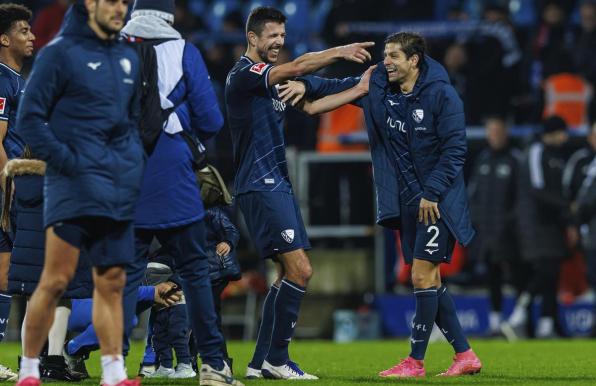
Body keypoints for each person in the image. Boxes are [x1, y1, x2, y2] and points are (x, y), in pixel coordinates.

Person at [284, 31, 481, 377]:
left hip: (437, 201)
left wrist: (432, 192)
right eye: (385, 55)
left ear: (414, 60)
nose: (385, 62)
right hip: (406, 200)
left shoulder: (442, 95)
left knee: (421, 275)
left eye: (393, 56)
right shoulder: (380, 85)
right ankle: (464, 355)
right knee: (430, 280)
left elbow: (455, 152)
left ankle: (415, 361)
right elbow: (341, 86)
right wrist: (305, 85)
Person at [224, 6, 373, 380]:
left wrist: (359, 87)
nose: (279, 42)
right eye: (272, 36)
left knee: (286, 274)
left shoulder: (273, 83)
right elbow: (296, 69)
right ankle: (278, 358)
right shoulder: (244, 75)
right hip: (260, 184)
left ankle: (260, 362)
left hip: (275, 184)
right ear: (252, 38)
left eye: (282, 36)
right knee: (301, 270)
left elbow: (312, 105)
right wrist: (338, 51)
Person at [14, 1, 145, 385]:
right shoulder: (59, 53)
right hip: (70, 186)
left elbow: (131, 123)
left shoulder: (127, 55)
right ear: (90, 4)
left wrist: (132, 166)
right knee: (55, 280)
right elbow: (29, 119)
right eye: (113, 1)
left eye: (126, 1)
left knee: (112, 281)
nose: (121, 8)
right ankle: (29, 371)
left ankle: (113, 373)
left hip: (114, 189)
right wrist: (66, 161)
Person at [120, 1, 243, 385]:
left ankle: (108, 365)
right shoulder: (183, 49)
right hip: (172, 168)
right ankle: (211, 365)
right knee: (194, 270)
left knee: (121, 276)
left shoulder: (110, 47)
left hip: (124, 170)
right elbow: (211, 119)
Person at [500, 115, 574, 340]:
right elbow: (537, 189)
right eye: (562, 132)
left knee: (551, 272)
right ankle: (517, 316)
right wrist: (567, 206)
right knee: (543, 270)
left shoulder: (557, 157)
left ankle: (546, 325)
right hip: (534, 222)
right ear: (552, 132)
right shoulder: (536, 152)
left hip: (551, 222)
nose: (565, 137)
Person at [0, 4, 34, 381]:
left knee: (6, 271)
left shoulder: (18, 79)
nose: (31, 36)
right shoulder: (2, 79)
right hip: (7, 185)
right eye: (23, 30)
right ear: (4, 38)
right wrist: (6, 187)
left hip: (16, 183)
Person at [467, 116, 521, 335]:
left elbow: (521, 198)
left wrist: (512, 223)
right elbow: (474, 195)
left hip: (511, 232)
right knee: (493, 276)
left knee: (518, 275)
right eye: (491, 132)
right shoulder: (483, 160)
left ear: (505, 133)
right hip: (487, 232)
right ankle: (495, 321)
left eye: (498, 132)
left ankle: (520, 319)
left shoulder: (515, 160)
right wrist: (475, 221)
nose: (495, 136)